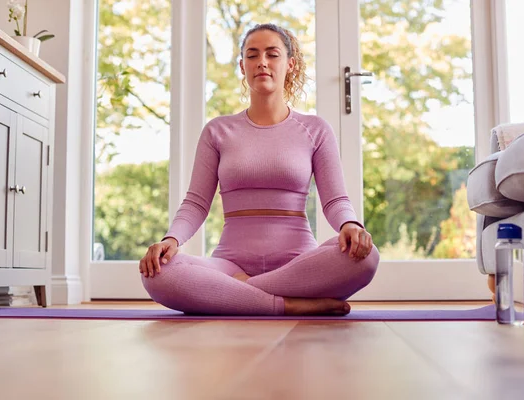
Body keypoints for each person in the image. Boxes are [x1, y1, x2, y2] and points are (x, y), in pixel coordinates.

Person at [139, 23, 379, 316]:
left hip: (298, 265)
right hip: (230, 265)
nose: (262, 62)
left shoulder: (316, 130)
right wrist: (170, 240)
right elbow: (196, 202)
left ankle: (236, 293)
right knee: (158, 272)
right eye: (252, 55)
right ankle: (286, 304)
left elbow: (335, 200)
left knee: (366, 258)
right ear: (242, 66)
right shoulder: (217, 131)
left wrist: (350, 225)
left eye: (272, 54)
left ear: (290, 64)